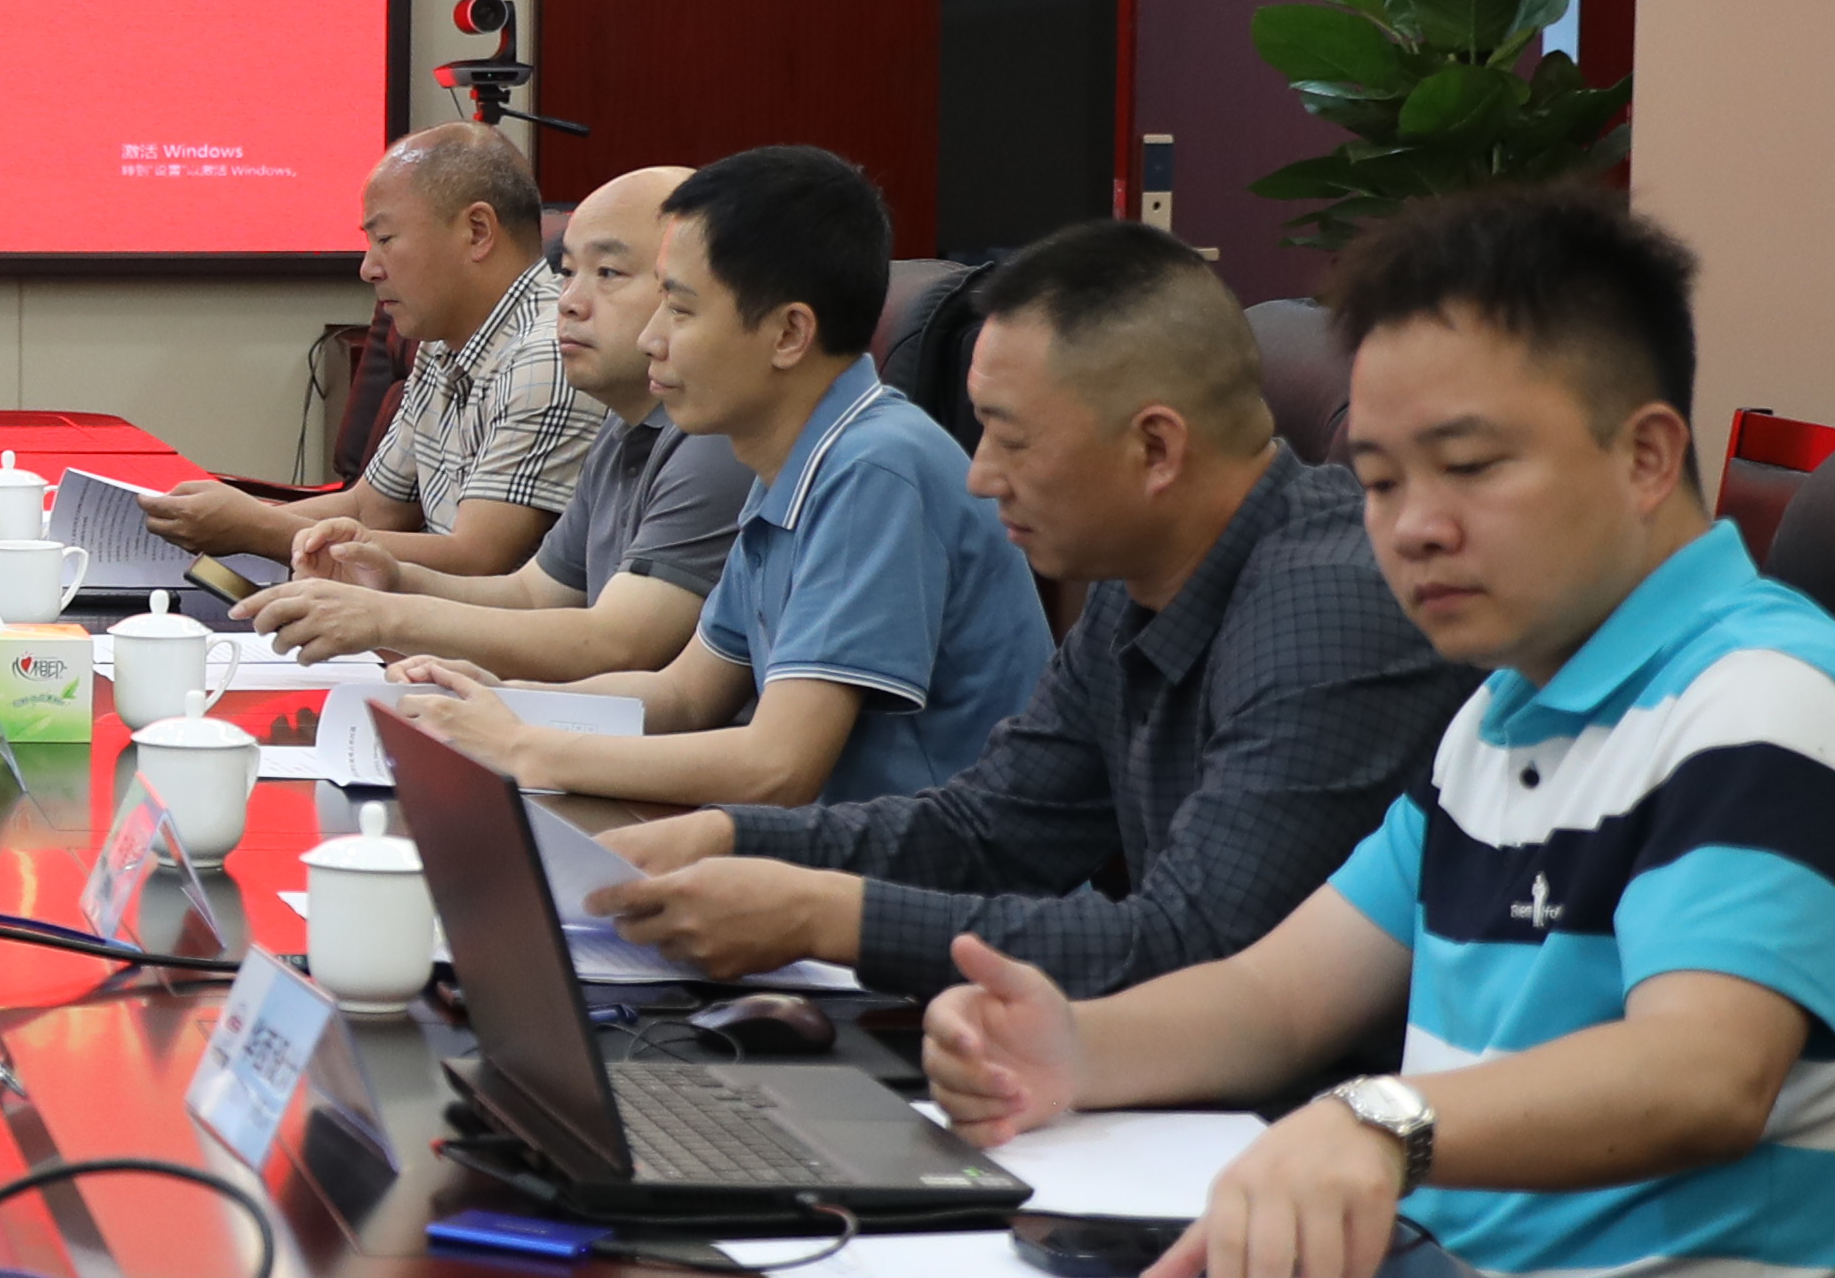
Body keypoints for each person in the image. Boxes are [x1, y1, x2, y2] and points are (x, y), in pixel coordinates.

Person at [924, 190, 1835, 1278]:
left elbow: (1702, 1073)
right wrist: (1074, 1051)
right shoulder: (1504, 716)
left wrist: (1377, 1121)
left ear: (1645, 456)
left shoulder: (1770, 704)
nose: (1414, 527)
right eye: (1378, 478)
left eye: (1471, 467)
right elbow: (1277, 998)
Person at [585, 216, 1462, 994]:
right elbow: (992, 829)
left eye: (1010, 438)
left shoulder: (1325, 613)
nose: (979, 476)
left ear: (1156, 448)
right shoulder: (1137, 576)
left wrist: (824, 915)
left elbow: (1195, 948)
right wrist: (729, 840)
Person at [390, 142, 1041, 813]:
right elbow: (682, 695)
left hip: (931, 868)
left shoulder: (873, 468)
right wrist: (507, 702)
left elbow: (777, 767)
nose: (652, 339)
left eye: (679, 309)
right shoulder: (787, 463)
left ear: (788, 334)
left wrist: (523, 746)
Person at [243, 165, 741, 685]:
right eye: (567, 272)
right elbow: (533, 594)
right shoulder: (624, 428)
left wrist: (387, 617)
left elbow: (618, 643)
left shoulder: (714, 443)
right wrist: (391, 580)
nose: (569, 301)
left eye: (609, 273)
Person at [143, 125, 586, 582]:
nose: (368, 268)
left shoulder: (549, 357)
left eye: (385, 240)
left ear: (477, 232)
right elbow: (370, 508)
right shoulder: (443, 340)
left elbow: (476, 559)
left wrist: (255, 529)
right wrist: (222, 522)